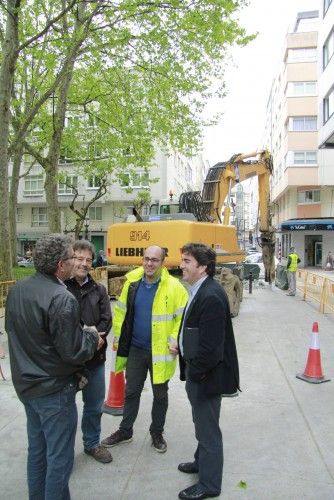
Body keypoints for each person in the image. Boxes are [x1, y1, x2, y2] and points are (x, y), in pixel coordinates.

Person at [5, 234, 103, 500]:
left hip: (27, 386)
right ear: (61, 264)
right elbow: (74, 352)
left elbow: (21, 333)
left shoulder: (18, 289)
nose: (77, 261)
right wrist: (92, 337)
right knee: (59, 460)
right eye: (73, 257)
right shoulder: (62, 297)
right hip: (53, 391)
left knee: (38, 452)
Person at [101, 245, 188, 453]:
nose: (149, 263)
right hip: (135, 349)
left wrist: (175, 339)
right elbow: (121, 312)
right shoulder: (132, 283)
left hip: (161, 352)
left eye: (155, 260)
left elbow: (182, 318)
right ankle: (125, 430)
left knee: (160, 395)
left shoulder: (174, 287)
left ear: (163, 262)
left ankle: (156, 432)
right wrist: (118, 338)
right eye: (146, 259)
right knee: (131, 391)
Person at [177, 243, 240, 500]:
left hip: (205, 377)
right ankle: (200, 462)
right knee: (201, 423)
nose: (181, 265)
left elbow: (212, 349)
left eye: (186, 261)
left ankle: (209, 485)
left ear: (202, 267)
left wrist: (195, 374)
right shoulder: (200, 289)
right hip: (199, 373)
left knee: (208, 430)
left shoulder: (211, 296)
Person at [65, 240, 112, 464]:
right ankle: (62, 452)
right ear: (70, 259)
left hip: (94, 359)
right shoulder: (61, 288)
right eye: (79, 258)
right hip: (67, 363)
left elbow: (106, 320)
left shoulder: (99, 290)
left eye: (87, 260)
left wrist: (95, 339)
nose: (83, 264)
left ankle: (92, 443)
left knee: (94, 405)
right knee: (64, 408)